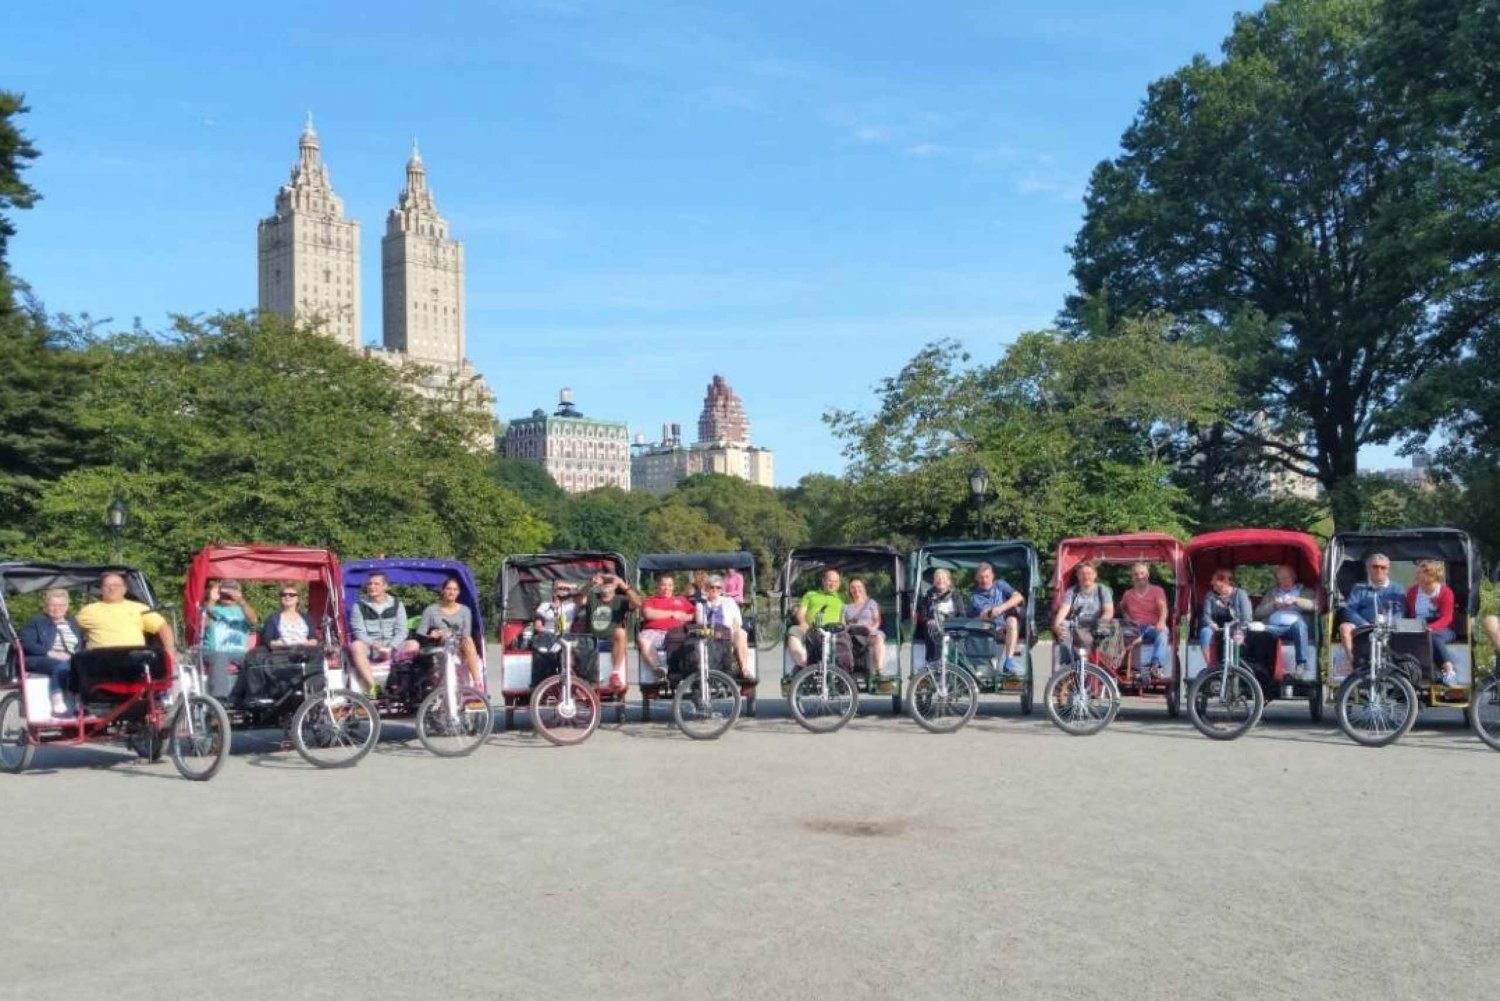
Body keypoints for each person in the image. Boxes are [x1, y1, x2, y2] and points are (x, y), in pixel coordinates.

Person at [71, 572, 177, 704]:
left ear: (124, 589)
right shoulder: (88, 611)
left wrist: (170, 651)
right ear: (101, 589)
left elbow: (163, 627)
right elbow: (68, 629)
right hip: (102, 665)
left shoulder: (139, 608)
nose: (111, 588)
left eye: (116, 585)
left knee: (154, 658)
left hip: (133, 662)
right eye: (107, 585)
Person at [348, 571, 419, 697]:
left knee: (413, 644)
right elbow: (359, 632)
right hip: (371, 647)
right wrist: (376, 646)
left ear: (386, 586)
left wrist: (391, 647)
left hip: (393, 647)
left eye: (376, 584)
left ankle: (403, 686)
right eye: (369, 584)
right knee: (355, 646)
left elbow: (402, 630)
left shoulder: (397, 604)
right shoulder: (359, 606)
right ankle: (373, 687)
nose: (372, 587)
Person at [19, 588, 85, 715]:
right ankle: (57, 698)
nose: (57, 608)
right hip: (40, 658)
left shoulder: (72, 622)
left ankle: (86, 704)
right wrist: (50, 653)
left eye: (61, 605)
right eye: (53, 605)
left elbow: (80, 643)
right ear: (46, 606)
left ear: (66, 606)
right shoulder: (36, 621)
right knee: (61, 665)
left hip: (69, 658)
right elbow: (27, 643)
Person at [1337, 553, 1407, 661]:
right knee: (1344, 628)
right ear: (1368, 568)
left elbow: (1401, 611)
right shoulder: (1358, 588)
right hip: (1364, 626)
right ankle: (1354, 664)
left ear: (1388, 569)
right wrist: (1363, 623)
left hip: (1389, 627)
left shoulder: (1397, 588)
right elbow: (1349, 610)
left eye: (1383, 567)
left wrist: (1388, 622)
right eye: (1375, 566)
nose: (1379, 570)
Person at [417, 576, 485, 687]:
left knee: (468, 640)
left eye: (455, 589)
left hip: (459, 646)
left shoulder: (465, 610)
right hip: (440, 645)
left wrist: (450, 635)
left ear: (458, 592)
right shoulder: (430, 610)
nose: (451, 592)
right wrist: (432, 635)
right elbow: (421, 633)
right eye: (448, 589)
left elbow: (466, 634)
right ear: (443, 590)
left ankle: (477, 682)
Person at [581, 571, 642, 689]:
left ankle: (615, 674)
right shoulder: (593, 597)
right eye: (604, 582)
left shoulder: (621, 600)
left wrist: (624, 586)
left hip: (612, 642)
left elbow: (638, 603)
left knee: (620, 632)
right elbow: (578, 600)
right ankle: (581, 682)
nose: (606, 584)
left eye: (610, 582)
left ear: (615, 585)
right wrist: (590, 584)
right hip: (591, 641)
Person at [201, 579, 259, 701]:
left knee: (254, 661)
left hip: (239, 652)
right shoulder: (212, 608)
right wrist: (212, 600)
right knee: (220, 656)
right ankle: (219, 701)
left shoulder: (242, 610)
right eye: (225, 592)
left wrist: (241, 601)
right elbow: (204, 623)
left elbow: (253, 620)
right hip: (213, 650)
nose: (228, 596)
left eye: (231, 592)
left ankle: (250, 697)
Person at [1254, 564, 1314, 673]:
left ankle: (1301, 663)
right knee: (1257, 628)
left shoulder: (1305, 591)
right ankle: (1259, 668)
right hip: (1272, 627)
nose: (1284, 581)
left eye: (1286, 578)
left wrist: (1296, 601)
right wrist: (1274, 605)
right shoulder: (1272, 593)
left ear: (1294, 577)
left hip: (1293, 628)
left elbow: (1314, 605)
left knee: (1299, 625)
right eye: (1280, 579)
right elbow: (1258, 613)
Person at [969, 562, 1025, 675]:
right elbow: (984, 615)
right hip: (987, 630)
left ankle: (1009, 661)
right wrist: (991, 612)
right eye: (981, 577)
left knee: (1012, 621)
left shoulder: (1000, 585)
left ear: (992, 576)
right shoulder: (975, 596)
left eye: (987, 576)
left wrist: (1002, 607)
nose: (984, 580)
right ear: (977, 578)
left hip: (1004, 628)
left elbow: (1018, 597)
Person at [1053, 562, 1114, 666]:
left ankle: (1099, 668)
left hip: (1096, 625)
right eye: (1082, 574)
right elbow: (1063, 610)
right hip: (1077, 626)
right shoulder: (1072, 591)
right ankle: (1065, 668)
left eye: (1089, 573)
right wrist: (1056, 626)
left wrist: (1100, 624)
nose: (1086, 576)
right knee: (1062, 627)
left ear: (1095, 575)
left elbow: (1109, 612)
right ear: (1078, 575)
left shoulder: (1102, 590)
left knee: (1106, 628)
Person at [1119, 562, 1172, 680]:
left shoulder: (1157, 590)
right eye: (1136, 574)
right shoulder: (1128, 594)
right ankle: (1116, 669)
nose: (1139, 576)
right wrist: (1126, 616)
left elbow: (1163, 608)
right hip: (1135, 627)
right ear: (1132, 577)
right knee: (1116, 635)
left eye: (1142, 573)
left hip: (1152, 627)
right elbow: (1121, 606)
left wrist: (1162, 621)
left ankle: (1156, 666)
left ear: (1147, 575)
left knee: (1163, 632)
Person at [1408, 560, 1457, 686]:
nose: (1416, 575)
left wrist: (1430, 627)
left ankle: (1449, 670)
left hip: (1443, 628)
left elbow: (1447, 618)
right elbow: (1410, 614)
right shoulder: (1413, 592)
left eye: (1420, 573)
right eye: (1417, 572)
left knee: (1432, 636)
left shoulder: (1446, 592)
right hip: (1419, 626)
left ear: (1430, 576)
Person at [636, 575, 695, 681]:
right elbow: (648, 614)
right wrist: (672, 613)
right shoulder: (651, 600)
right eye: (664, 585)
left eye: (669, 585)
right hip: (654, 632)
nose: (666, 588)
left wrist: (685, 617)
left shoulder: (681, 600)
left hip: (677, 633)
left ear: (673, 587)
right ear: (658, 586)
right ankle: (658, 669)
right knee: (643, 638)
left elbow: (695, 614)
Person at [698, 573, 754, 681]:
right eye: (712, 587)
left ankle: (744, 669)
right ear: (706, 589)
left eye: (718, 587)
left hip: (728, 634)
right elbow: (700, 622)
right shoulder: (702, 604)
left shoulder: (728, 602)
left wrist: (731, 629)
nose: (715, 590)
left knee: (741, 633)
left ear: (721, 590)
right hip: (709, 634)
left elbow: (737, 621)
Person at [786, 569, 843, 669]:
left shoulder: (841, 599)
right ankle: (804, 662)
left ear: (839, 584)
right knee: (793, 631)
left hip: (832, 632)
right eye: (830, 581)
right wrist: (803, 623)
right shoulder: (811, 595)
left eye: (835, 582)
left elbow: (843, 619)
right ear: (823, 581)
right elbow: (801, 612)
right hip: (810, 628)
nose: (832, 584)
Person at [1199, 569, 1253, 661]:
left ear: (1225, 581)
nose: (1211, 582)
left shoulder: (1240, 594)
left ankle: (1235, 666)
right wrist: (1211, 624)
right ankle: (1210, 666)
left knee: (1238, 637)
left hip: (1236, 627)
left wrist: (1240, 630)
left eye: (1214, 580)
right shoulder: (1210, 595)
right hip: (1217, 628)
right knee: (1205, 632)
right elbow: (1206, 615)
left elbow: (1246, 616)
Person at [918, 569, 964, 665]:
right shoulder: (928, 596)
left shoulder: (955, 595)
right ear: (934, 581)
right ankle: (935, 664)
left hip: (952, 627)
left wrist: (953, 622)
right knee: (934, 631)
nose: (940, 581)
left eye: (943, 578)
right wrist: (928, 620)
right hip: (934, 629)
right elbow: (923, 615)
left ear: (948, 581)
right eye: (938, 578)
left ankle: (951, 665)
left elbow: (962, 614)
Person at [841, 577, 886, 676]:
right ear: (850, 590)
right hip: (853, 635)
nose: (856, 590)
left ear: (864, 588)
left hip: (869, 633)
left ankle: (879, 670)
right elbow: (842, 623)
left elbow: (877, 620)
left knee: (878, 638)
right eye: (853, 587)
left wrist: (872, 629)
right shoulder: (845, 607)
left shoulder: (871, 603)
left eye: (859, 587)